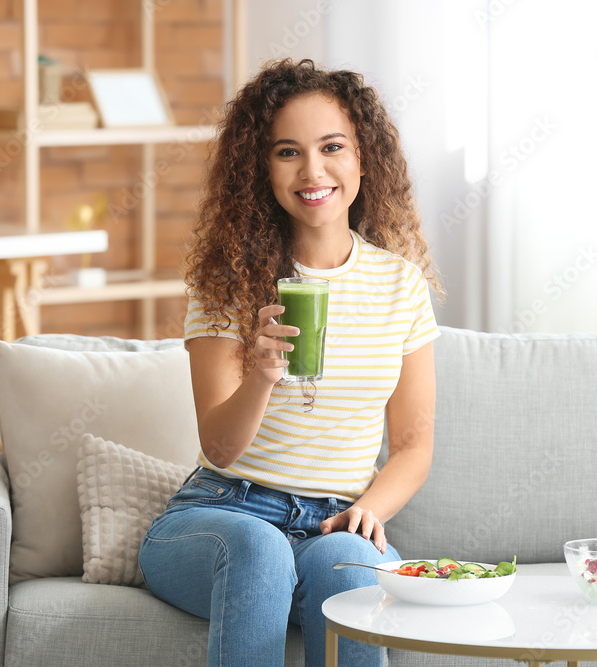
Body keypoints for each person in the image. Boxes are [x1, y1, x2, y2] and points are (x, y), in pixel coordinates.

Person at [138, 58, 443, 667]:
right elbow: (220, 449)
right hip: (223, 513)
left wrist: (368, 512)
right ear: (261, 168)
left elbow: (413, 445)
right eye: (287, 152)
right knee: (259, 550)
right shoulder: (227, 283)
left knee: (347, 566)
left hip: (334, 521)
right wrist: (261, 373)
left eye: (332, 147)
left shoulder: (399, 286)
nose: (313, 171)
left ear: (363, 158)